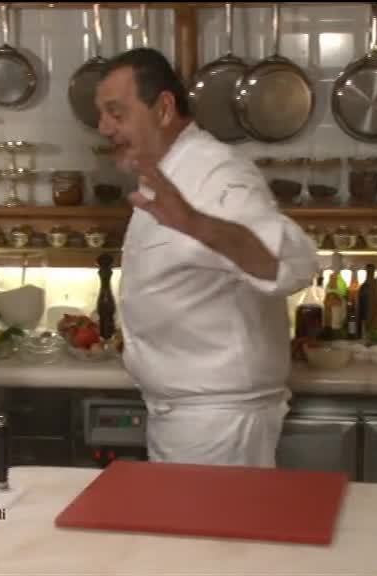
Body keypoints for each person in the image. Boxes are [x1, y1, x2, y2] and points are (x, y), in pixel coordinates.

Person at [95, 47, 319, 467]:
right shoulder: (166, 174)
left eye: (116, 112)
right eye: (102, 115)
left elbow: (292, 265)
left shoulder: (216, 173)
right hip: (189, 418)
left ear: (163, 108)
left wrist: (198, 224)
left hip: (219, 425)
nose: (104, 127)